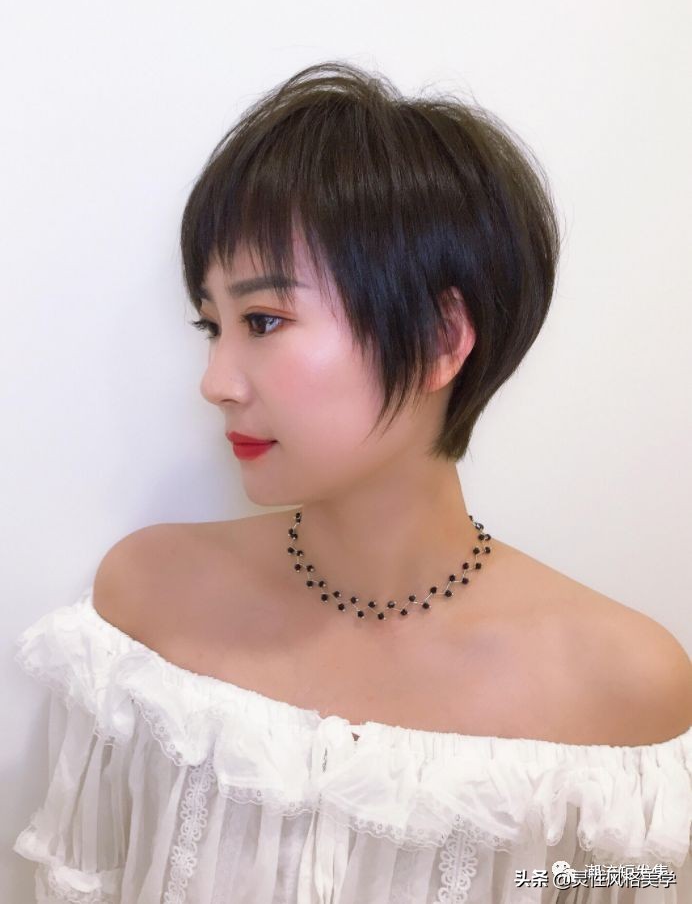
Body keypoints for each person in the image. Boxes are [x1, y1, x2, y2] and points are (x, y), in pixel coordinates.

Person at [13, 61, 691, 903]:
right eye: (212, 324)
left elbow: (617, 882)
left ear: (441, 338)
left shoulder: (623, 690)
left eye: (264, 320)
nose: (216, 381)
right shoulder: (147, 611)